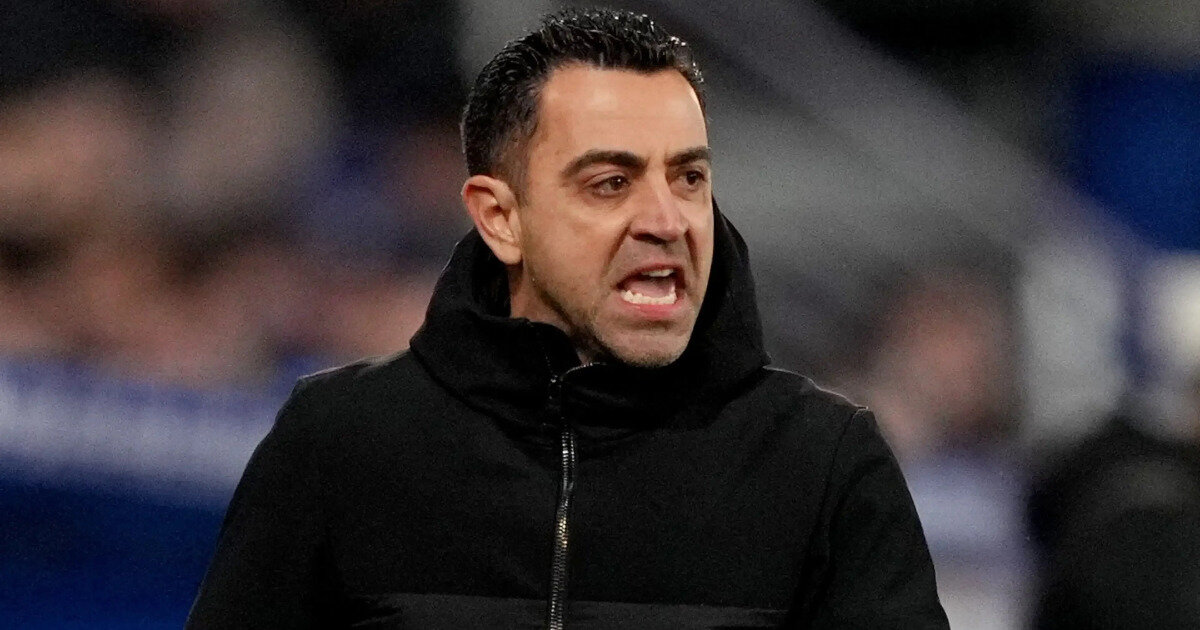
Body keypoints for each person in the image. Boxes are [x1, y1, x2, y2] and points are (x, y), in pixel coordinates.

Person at [186, 8, 948, 629]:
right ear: (501, 217)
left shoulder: (825, 464)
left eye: (688, 177)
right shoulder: (339, 442)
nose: (667, 220)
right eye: (611, 182)